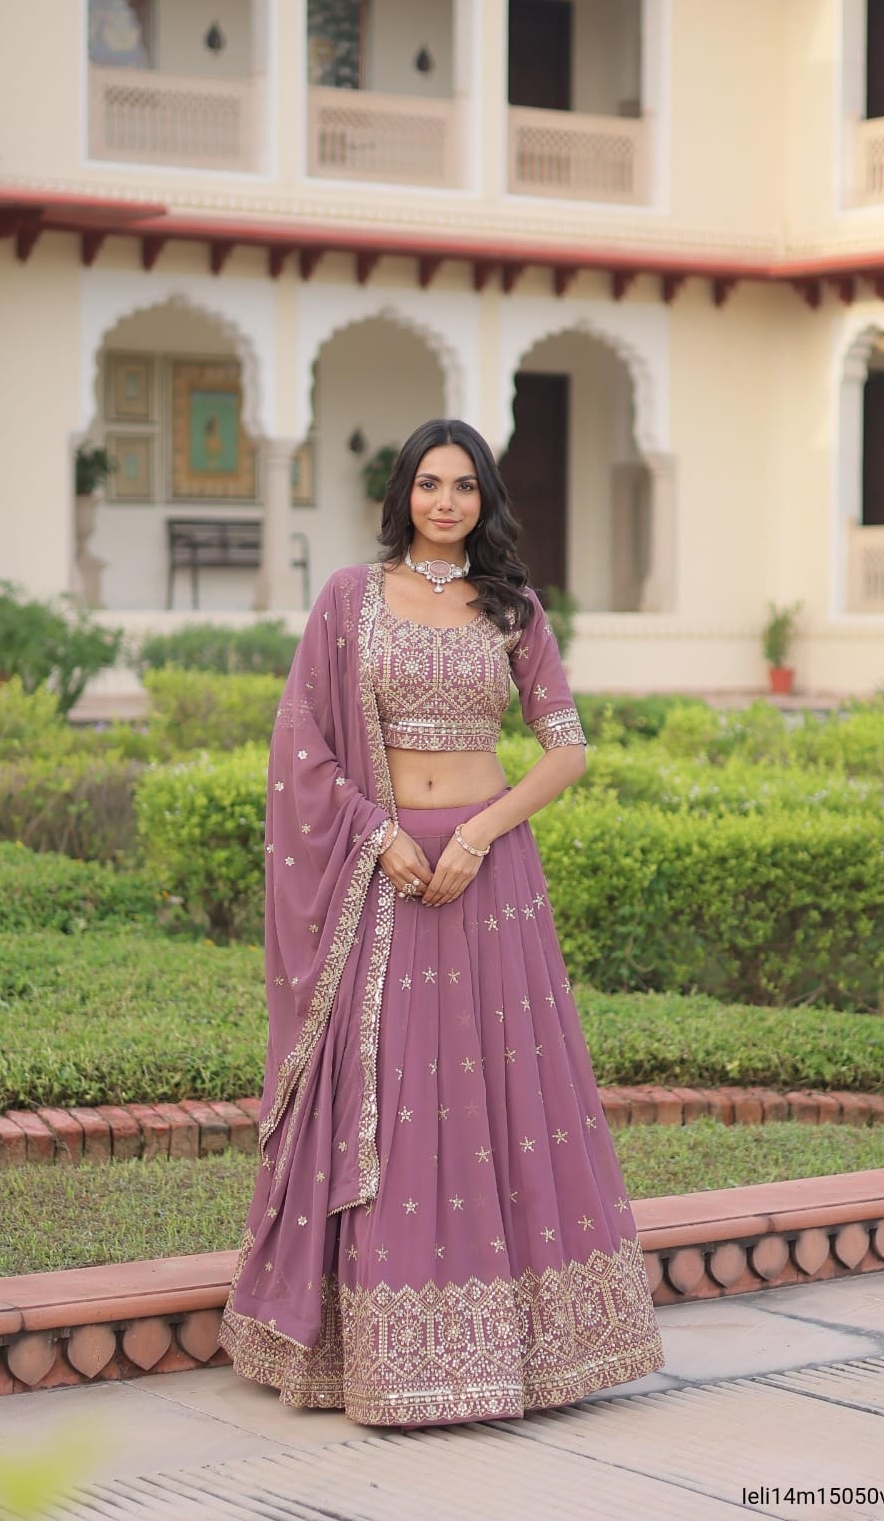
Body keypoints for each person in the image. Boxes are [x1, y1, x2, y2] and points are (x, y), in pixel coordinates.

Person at [218, 417, 665, 1427]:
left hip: (487, 873)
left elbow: (565, 748)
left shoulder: (512, 607)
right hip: (387, 873)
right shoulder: (350, 599)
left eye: (464, 485)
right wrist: (378, 835)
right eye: (429, 483)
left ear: (486, 499)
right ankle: (376, 1348)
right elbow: (303, 747)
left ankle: (524, 1347)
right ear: (402, 495)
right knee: (399, 1088)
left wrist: (478, 837)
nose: (446, 502)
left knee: (501, 1093)